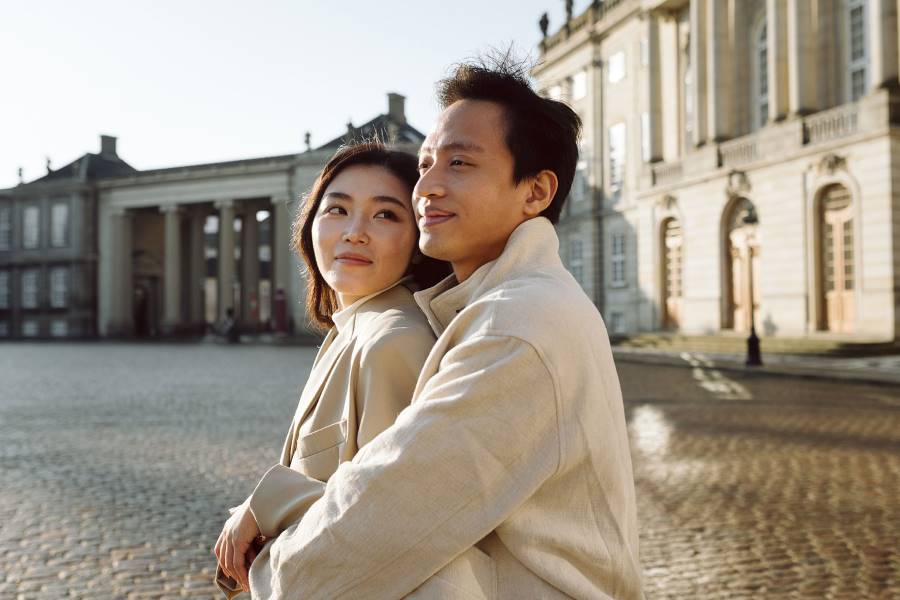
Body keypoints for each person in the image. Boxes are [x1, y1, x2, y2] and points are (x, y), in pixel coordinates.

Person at [248, 53, 643, 600]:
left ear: (535, 191)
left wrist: (262, 566)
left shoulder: (516, 325)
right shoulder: (497, 305)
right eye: (427, 162)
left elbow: (389, 519)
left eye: (459, 164)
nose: (426, 186)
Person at [213, 141, 450, 597]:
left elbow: (394, 523)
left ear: (418, 244)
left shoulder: (394, 340)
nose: (355, 232)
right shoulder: (350, 330)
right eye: (337, 210)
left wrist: (267, 505)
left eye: (385, 215)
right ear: (310, 226)